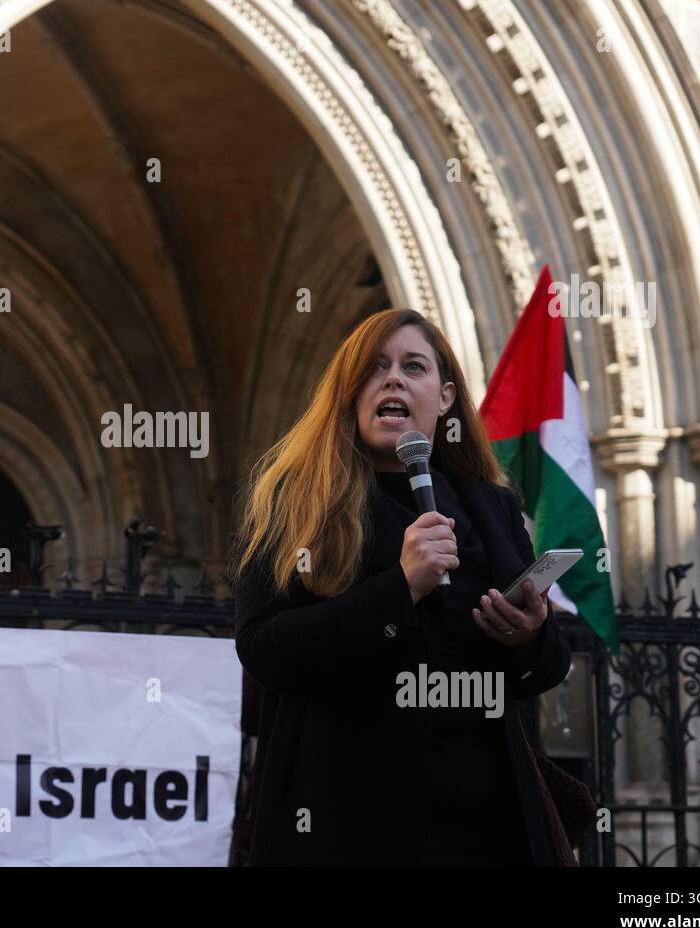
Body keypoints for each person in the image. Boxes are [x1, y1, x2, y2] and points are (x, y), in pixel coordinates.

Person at [232, 307, 571, 866]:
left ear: (443, 398)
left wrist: (529, 635)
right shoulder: (291, 504)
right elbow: (266, 651)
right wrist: (400, 588)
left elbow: (549, 667)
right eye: (375, 368)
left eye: (413, 367)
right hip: (348, 822)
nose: (393, 378)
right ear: (349, 393)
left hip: (488, 825)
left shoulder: (493, 506)